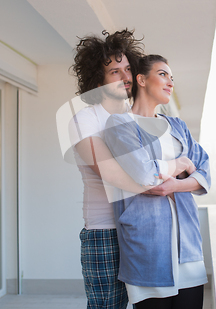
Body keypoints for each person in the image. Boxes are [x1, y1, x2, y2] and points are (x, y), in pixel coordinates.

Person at [103, 55, 211, 309]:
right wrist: (182, 165)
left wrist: (172, 185)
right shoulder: (120, 125)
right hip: (148, 245)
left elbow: (204, 170)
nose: (170, 82)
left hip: (188, 244)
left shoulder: (177, 125)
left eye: (172, 78)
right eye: (163, 74)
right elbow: (144, 175)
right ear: (141, 79)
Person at [68, 29, 148, 309]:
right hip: (105, 232)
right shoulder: (84, 120)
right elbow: (111, 173)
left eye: (128, 69)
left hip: (143, 227)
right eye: (115, 71)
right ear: (97, 80)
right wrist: (162, 185)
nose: (125, 77)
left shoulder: (139, 116)